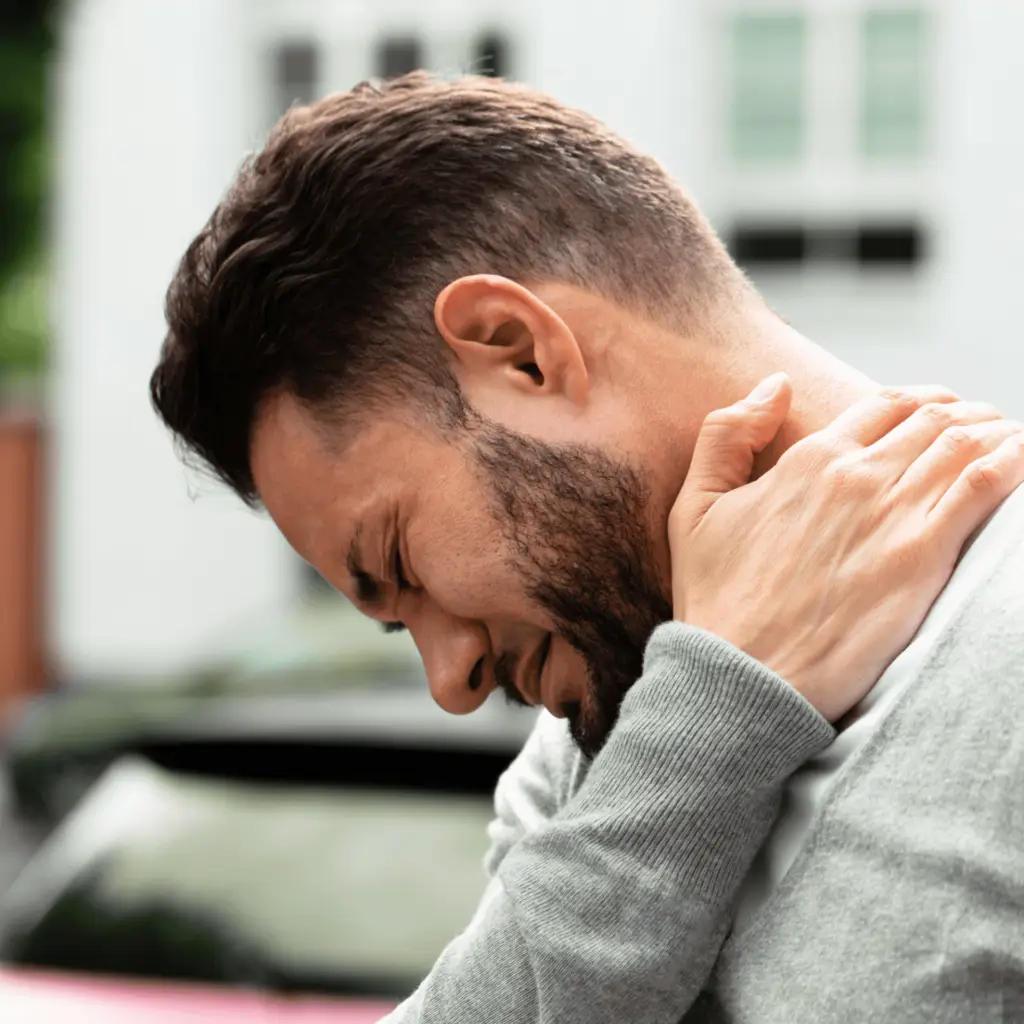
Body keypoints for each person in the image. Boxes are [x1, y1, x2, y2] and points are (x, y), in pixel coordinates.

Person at [148, 73, 1024, 1023]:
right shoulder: (607, 742)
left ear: (519, 350)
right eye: (400, 627)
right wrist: (712, 723)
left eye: (399, 565)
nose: (451, 684)